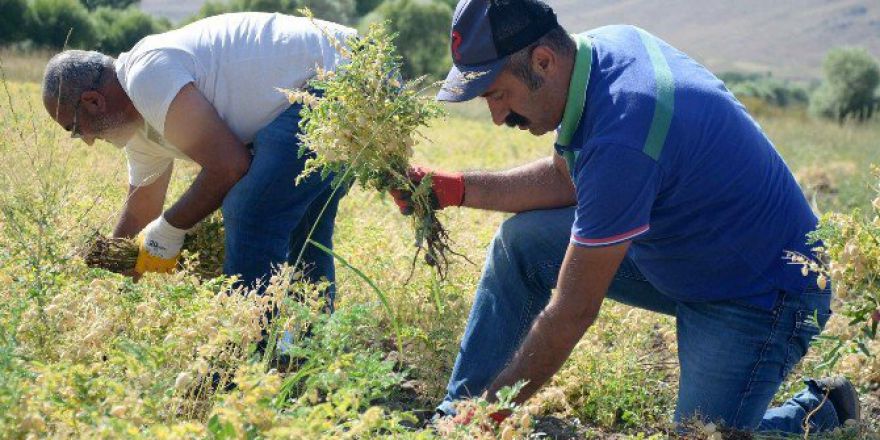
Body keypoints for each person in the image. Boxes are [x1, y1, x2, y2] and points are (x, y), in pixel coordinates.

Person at [393, 0, 861, 433]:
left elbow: (573, 312)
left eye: (498, 94)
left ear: (543, 61)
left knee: (700, 435)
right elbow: (569, 178)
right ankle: (455, 414)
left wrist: (493, 414)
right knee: (523, 243)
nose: (497, 116)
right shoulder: (599, 54)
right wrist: (456, 189)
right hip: (684, 252)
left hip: (763, 291)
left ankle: (823, 412)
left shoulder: (625, 127)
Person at [41, 12, 355, 305]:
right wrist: (107, 295)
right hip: (343, 76)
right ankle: (311, 333)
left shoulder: (145, 76)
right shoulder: (139, 130)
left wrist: (170, 229)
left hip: (342, 74)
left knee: (250, 209)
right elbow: (140, 213)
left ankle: (253, 338)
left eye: (75, 129)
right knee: (302, 222)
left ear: (93, 102)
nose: (87, 141)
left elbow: (230, 166)